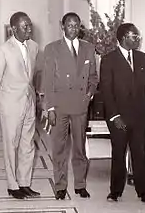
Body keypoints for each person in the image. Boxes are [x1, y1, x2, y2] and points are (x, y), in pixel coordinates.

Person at [43, 12, 98, 200]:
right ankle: (60, 185)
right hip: (59, 106)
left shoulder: (89, 49)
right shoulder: (52, 49)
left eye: (76, 25)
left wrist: (89, 95)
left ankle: (80, 184)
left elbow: (93, 77)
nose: (73, 28)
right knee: (59, 148)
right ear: (62, 26)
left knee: (79, 147)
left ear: (79, 27)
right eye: (69, 25)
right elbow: (47, 80)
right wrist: (49, 108)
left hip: (80, 106)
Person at [0, 12, 40, 199]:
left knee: (28, 144)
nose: (29, 29)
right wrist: (0, 103)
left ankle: (24, 183)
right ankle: (12, 185)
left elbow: (31, 77)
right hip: (10, 104)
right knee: (10, 146)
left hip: (29, 102)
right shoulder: (3, 50)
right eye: (25, 26)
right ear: (14, 29)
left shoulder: (34, 47)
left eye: (30, 25)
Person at [99, 23, 145, 203]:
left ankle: (143, 191)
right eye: (134, 36)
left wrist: (144, 111)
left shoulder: (142, 58)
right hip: (118, 118)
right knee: (119, 153)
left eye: (137, 36)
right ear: (123, 38)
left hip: (138, 116)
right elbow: (106, 91)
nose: (137, 39)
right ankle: (115, 191)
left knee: (140, 153)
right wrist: (114, 116)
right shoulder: (109, 60)